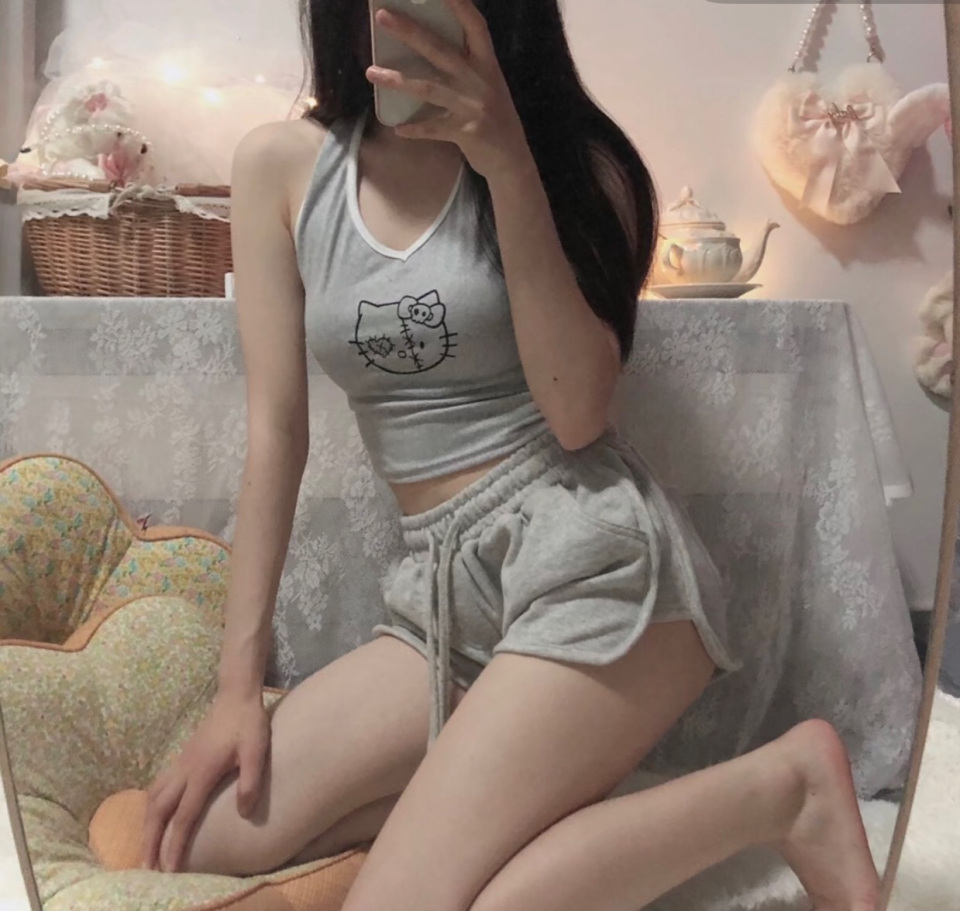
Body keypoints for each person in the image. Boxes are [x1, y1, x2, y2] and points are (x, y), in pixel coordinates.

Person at [140, 1, 881, 908]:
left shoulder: (576, 164)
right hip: (445, 599)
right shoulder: (281, 167)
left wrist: (507, 161)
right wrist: (236, 689)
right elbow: (276, 435)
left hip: (594, 565)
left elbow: (577, 415)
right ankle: (526, 795)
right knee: (202, 837)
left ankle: (789, 790)